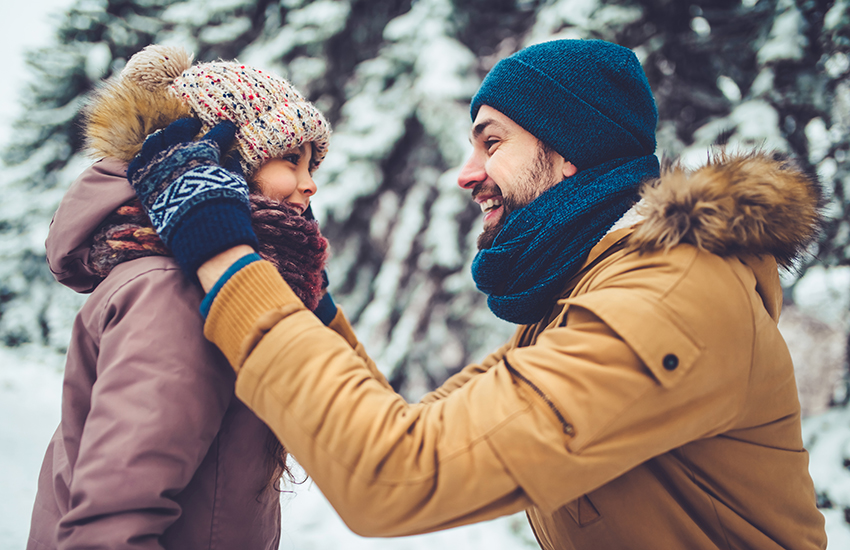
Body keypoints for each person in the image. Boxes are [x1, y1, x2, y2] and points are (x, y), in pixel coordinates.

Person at [128, 39, 828, 549]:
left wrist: (224, 258)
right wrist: (310, 305)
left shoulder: (671, 299)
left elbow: (394, 475)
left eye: (491, 142)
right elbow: (412, 426)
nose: (466, 174)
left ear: (571, 148)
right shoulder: (591, 293)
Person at [28, 45, 337, 549]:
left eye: (312, 165)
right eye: (290, 160)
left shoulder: (217, 282)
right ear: (220, 162)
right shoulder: (175, 291)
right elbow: (111, 525)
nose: (309, 185)